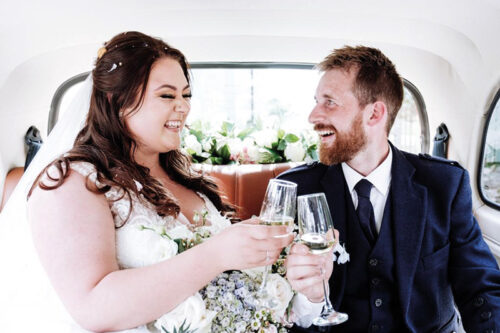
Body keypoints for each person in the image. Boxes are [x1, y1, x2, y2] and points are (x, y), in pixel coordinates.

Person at [0, 31, 330, 332]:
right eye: (167, 96)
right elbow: (93, 307)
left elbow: (238, 294)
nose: (183, 107)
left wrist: (304, 286)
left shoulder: (189, 179)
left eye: (186, 95)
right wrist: (217, 254)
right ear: (119, 101)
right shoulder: (72, 182)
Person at [282, 46, 500, 332]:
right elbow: (278, 306)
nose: (313, 116)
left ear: (374, 114)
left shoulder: (444, 185)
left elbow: (480, 287)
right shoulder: (295, 190)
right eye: (316, 102)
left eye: (329, 102)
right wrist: (306, 297)